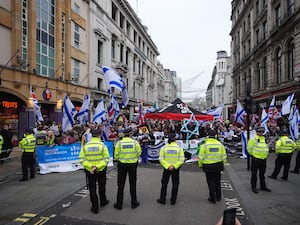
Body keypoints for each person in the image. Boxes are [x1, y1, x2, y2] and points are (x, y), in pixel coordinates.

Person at [79, 129, 110, 214]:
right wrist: (97, 167)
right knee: (102, 186)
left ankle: (95, 207)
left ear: (91, 135)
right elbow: (106, 159)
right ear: (100, 135)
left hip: (90, 171)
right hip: (101, 170)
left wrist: (91, 167)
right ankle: (103, 202)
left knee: (92, 188)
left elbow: (81, 159)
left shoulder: (85, 146)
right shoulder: (102, 146)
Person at [113, 127, 141, 210]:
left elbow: (116, 155)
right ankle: (134, 203)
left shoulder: (119, 143)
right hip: (132, 165)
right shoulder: (135, 143)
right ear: (130, 134)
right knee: (133, 184)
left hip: (122, 165)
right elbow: (139, 153)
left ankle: (119, 204)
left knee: (121, 185)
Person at [198, 129, 227, 204]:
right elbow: (224, 156)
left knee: (210, 182)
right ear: (215, 136)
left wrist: (200, 165)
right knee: (217, 181)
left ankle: (212, 198)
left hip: (208, 166)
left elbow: (201, 157)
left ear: (208, 136)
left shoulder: (204, 145)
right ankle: (218, 196)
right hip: (218, 165)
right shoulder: (220, 145)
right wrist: (223, 163)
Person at [156, 132, 185, 205]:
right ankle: (173, 200)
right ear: (175, 139)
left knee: (164, 184)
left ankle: (162, 199)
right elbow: (182, 160)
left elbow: (161, 159)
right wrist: (174, 166)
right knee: (175, 184)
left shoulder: (164, 148)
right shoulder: (179, 148)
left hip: (166, 168)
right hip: (176, 168)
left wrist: (168, 166)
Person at [247, 127, 271, 193]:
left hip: (263, 159)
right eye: (259, 132)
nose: (261, 133)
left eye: (262, 132)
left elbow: (266, 147)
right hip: (256, 159)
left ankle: (263, 186)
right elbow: (249, 148)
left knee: (262, 174)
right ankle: (253, 187)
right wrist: (253, 155)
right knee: (254, 174)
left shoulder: (264, 139)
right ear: (256, 132)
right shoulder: (253, 139)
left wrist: (266, 155)